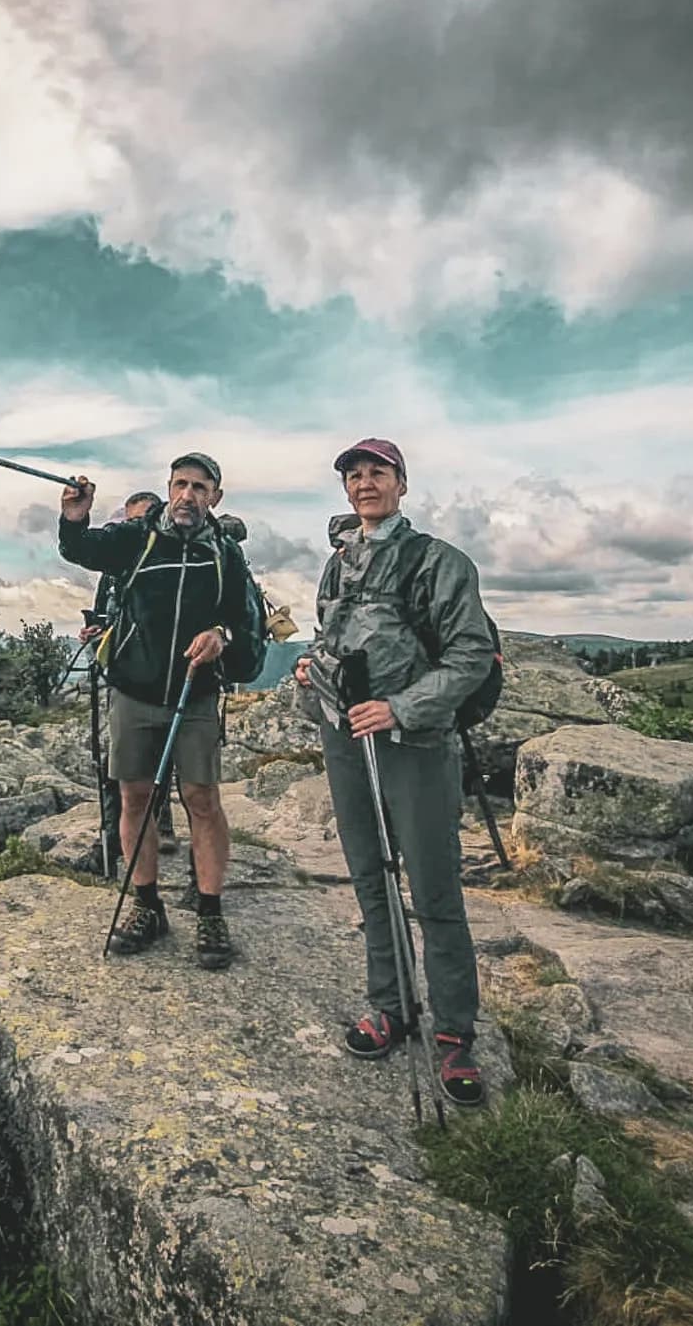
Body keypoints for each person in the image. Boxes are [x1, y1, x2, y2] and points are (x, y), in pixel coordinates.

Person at [294, 438, 491, 1106]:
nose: (364, 482)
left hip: (417, 743)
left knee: (435, 892)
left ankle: (454, 1034)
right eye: (353, 474)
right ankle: (392, 1004)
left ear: (401, 483)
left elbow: (470, 654)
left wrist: (400, 707)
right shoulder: (337, 563)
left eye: (377, 471)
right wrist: (310, 675)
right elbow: (330, 639)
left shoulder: (439, 562)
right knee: (371, 879)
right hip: (345, 736)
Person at [60, 453, 265, 969]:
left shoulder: (225, 554)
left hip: (194, 695)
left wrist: (221, 637)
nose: (187, 496)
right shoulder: (138, 537)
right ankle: (148, 906)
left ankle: (211, 911)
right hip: (134, 689)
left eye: (199, 487)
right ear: (168, 488)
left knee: (201, 798)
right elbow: (83, 549)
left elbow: (248, 627)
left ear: (215, 497)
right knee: (135, 797)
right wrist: (75, 515)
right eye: (180, 484)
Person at [76, 491, 162, 873]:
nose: (134, 528)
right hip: (122, 676)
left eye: (141, 519)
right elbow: (104, 613)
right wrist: (95, 629)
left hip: (165, 680)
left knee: (160, 763)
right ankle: (113, 839)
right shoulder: (114, 568)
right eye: (129, 521)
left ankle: (156, 830)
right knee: (119, 766)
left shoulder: (168, 561)